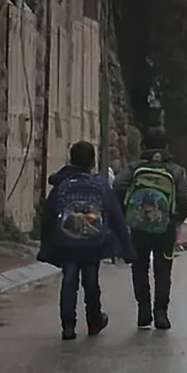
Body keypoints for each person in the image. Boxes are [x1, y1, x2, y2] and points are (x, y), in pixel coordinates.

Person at [38, 141, 136, 340]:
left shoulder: (62, 184)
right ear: (92, 162)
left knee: (69, 280)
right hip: (93, 243)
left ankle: (67, 325)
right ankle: (94, 320)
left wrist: (47, 244)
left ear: (70, 159)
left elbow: (48, 215)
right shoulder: (99, 185)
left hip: (67, 242)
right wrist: (127, 249)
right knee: (91, 282)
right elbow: (116, 216)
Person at [114, 127, 187, 330]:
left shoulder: (134, 167)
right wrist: (176, 219)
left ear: (143, 145)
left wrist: (127, 212)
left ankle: (143, 310)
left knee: (139, 267)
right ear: (167, 146)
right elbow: (184, 197)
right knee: (163, 270)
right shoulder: (175, 170)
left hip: (139, 226)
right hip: (165, 228)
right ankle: (161, 313)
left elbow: (118, 187)